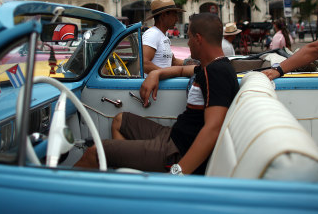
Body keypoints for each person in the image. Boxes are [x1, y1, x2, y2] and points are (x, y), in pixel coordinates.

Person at [74, 13, 239, 175]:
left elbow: (213, 128)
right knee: (120, 120)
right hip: (173, 135)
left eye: (189, 38)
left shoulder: (217, 72)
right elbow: (182, 69)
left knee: (95, 153)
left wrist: (179, 171)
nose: (188, 43)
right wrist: (156, 74)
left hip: (175, 150)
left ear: (198, 38)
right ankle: (128, 177)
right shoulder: (209, 67)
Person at [142, 0, 185, 73]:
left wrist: (194, 64)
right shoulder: (152, 34)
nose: (177, 19)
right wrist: (168, 73)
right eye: (174, 15)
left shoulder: (163, 36)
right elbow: (144, 64)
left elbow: (173, 62)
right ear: (164, 15)